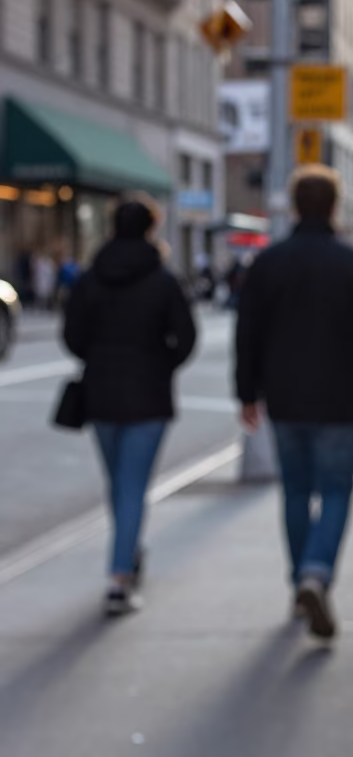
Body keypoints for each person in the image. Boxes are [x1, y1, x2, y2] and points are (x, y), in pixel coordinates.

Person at [234, 165, 353, 640]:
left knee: (296, 491)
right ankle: (315, 573)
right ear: (335, 206)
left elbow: (248, 332)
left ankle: (301, 580)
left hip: (285, 398)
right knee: (337, 490)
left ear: (295, 205)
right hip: (340, 397)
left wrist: (247, 392)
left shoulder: (269, 262)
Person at [63, 199, 197, 616]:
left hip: (101, 391)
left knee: (119, 482)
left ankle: (127, 554)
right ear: (150, 230)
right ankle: (120, 576)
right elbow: (186, 337)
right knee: (132, 484)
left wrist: (98, 357)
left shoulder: (91, 278)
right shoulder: (162, 280)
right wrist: (161, 363)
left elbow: (72, 335)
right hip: (148, 393)